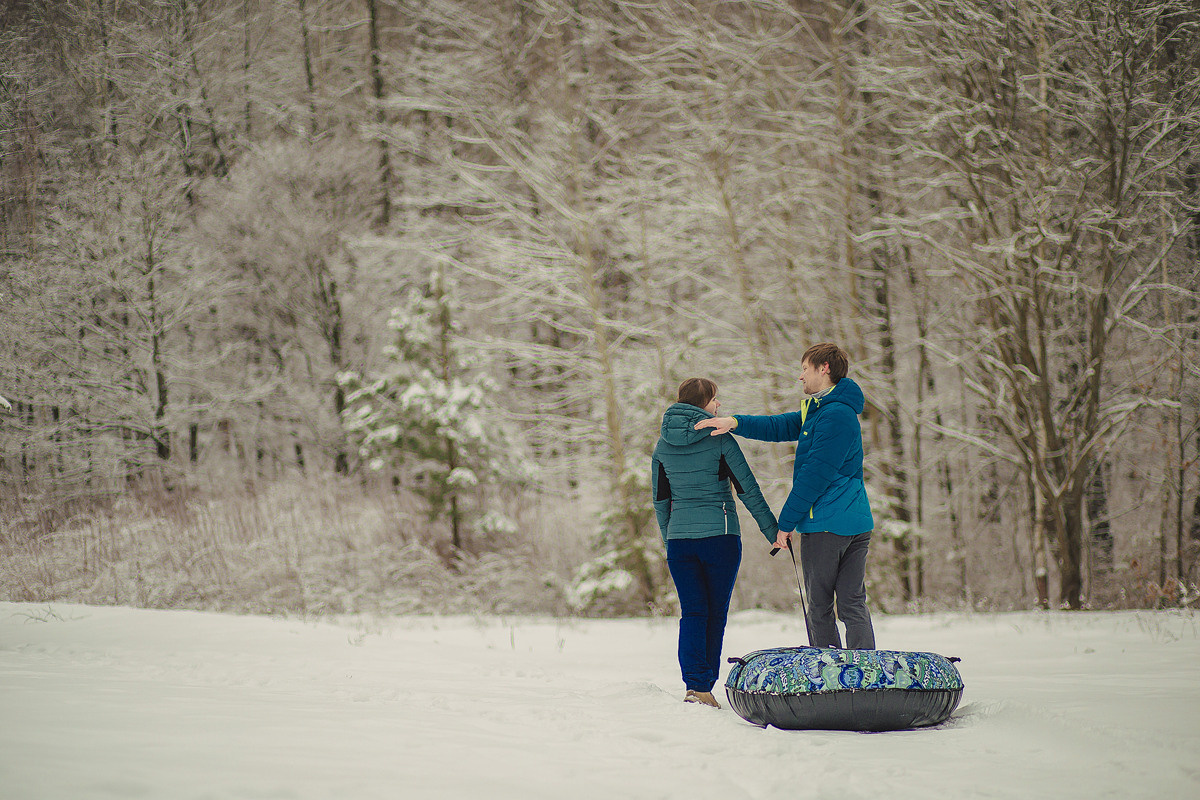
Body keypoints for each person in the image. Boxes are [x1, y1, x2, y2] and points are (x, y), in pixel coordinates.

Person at [695, 343, 875, 650]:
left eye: (805, 369)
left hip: (827, 525)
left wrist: (786, 523)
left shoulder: (834, 416)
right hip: (855, 522)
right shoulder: (825, 409)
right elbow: (779, 425)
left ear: (824, 369)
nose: (800, 376)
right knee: (851, 602)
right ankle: (863, 675)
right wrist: (734, 422)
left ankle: (830, 677)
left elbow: (814, 476)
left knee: (820, 607)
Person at [651, 378, 779, 708]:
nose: (718, 405)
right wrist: (773, 531)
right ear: (701, 404)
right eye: (714, 399)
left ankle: (696, 687)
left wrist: (670, 539)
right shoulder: (720, 439)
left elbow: (661, 500)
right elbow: (748, 489)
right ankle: (703, 687)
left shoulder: (662, 446)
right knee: (715, 615)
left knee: (693, 612)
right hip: (720, 538)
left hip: (681, 543)